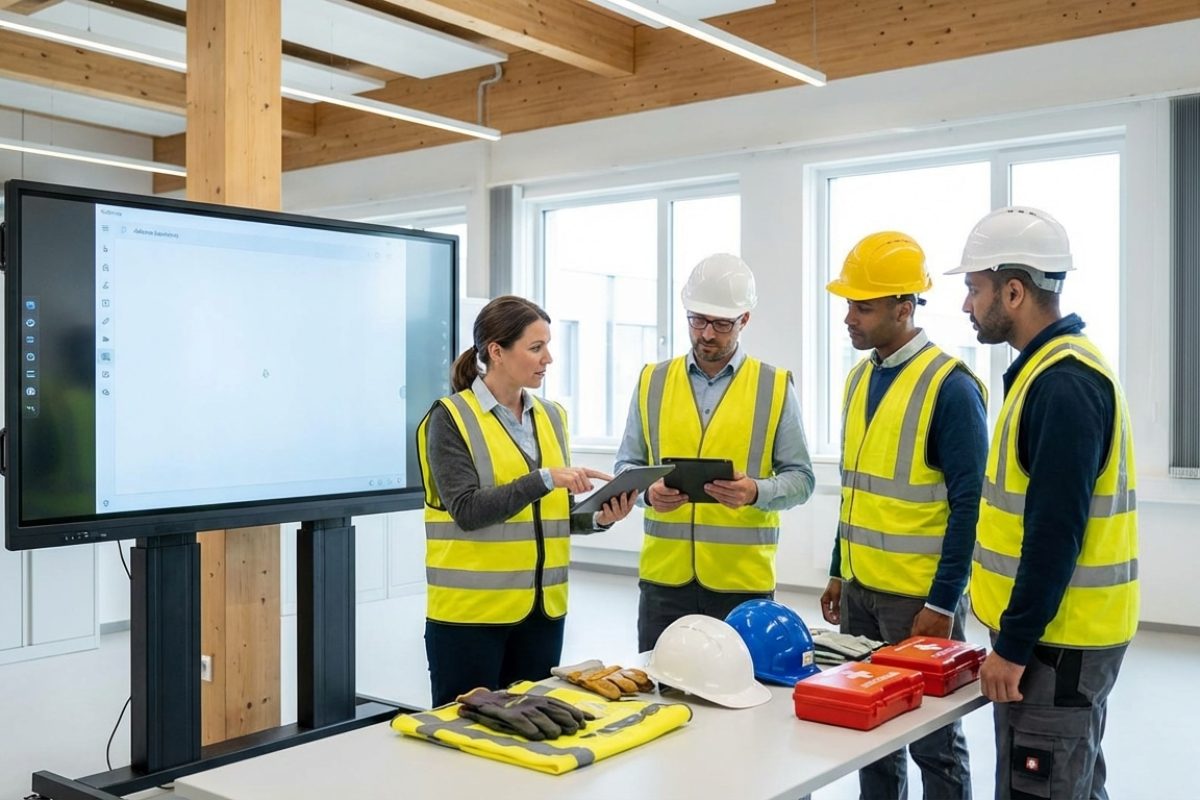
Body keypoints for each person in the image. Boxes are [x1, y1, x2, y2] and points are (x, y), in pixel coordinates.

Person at [948, 207, 1138, 799]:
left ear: (1014, 290)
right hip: (1060, 639)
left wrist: (1013, 645)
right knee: (1071, 782)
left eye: (973, 289)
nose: (966, 305)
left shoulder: (1063, 383)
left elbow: (1056, 533)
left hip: (1059, 644)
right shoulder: (1049, 373)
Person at [820, 231, 987, 800]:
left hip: (917, 601)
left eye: (862, 306)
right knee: (869, 735)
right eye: (847, 304)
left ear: (904, 305)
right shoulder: (860, 377)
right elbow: (855, 490)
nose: (849, 317)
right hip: (863, 591)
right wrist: (839, 569)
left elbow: (971, 508)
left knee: (933, 742)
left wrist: (942, 604)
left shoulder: (951, 388)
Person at [417, 295, 636, 707]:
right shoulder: (449, 418)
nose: (548, 358)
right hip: (471, 618)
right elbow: (467, 510)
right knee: (464, 741)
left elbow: (546, 516)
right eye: (536, 348)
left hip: (542, 614)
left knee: (534, 734)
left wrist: (599, 517)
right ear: (496, 352)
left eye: (547, 346)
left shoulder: (552, 417)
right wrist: (544, 479)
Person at [614, 253, 815, 653]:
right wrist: (647, 493)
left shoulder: (773, 386)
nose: (707, 334)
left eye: (721, 324)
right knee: (660, 693)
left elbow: (803, 479)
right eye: (697, 320)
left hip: (741, 586)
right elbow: (626, 466)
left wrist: (755, 491)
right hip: (663, 582)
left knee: (741, 704)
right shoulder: (652, 381)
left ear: (744, 321)